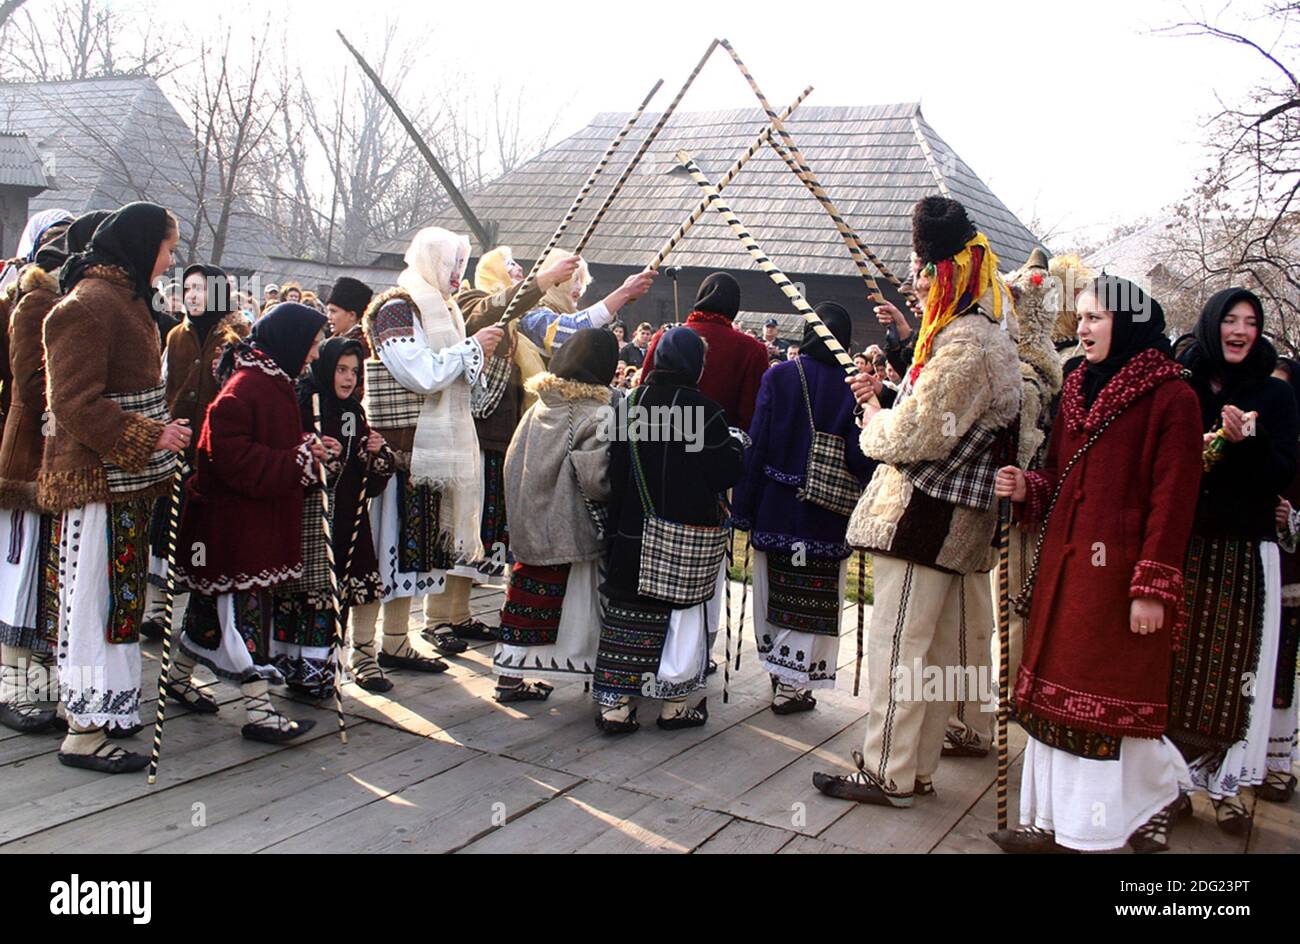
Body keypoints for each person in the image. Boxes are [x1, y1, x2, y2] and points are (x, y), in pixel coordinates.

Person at [813, 195, 1021, 808]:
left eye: (921, 273)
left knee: (898, 646)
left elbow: (918, 437)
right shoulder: (980, 339)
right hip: (950, 525)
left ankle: (886, 770)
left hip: (922, 519)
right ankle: (915, 768)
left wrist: (875, 415)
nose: (914, 284)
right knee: (927, 656)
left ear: (945, 274)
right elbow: (946, 415)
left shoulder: (965, 343)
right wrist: (894, 391)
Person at [989, 276, 1203, 853]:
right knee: (1058, 700)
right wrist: (1026, 489)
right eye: (1079, 319)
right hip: (1068, 573)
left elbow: (1173, 499)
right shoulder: (1078, 385)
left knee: (1107, 701)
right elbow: (1059, 476)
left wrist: (1152, 587)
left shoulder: (1173, 397)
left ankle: (1114, 819)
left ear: (1127, 324)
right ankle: (1055, 821)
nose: (1080, 330)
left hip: (1119, 577)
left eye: (1094, 319)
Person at [40, 202, 191, 772]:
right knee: (92, 603)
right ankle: (82, 730)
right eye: (168, 248)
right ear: (141, 243)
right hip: (96, 480)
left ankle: (108, 711)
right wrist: (150, 436)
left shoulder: (125, 301)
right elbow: (73, 403)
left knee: (117, 605)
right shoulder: (88, 306)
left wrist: (158, 434)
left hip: (122, 482)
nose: (171, 261)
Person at [1169, 287, 1298, 834]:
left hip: (1246, 552)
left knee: (1236, 671)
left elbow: (1281, 471)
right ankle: (1169, 783)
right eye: (1230, 319)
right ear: (1210, 324)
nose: (1240, 330)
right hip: (1185, 547)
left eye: (1251, 321)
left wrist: (1248, 441)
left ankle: (1225, 788)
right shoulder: (1182, 384)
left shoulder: (1275, 394)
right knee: (1175, 668)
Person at [169, 303, 329, 743]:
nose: (315, 355)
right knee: (244, 621)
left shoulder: (273, 383)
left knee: (208, 609)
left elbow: (267, 441)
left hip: (250, 525)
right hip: (236, 531)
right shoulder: (246, 387)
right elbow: (228, 455)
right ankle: (259, 712)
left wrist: (304, 445)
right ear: (291, 342)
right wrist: (295, 459)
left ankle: (178, 677)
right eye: (312, 345)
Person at [592, 327, 747, 732]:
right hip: (684, 536)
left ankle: (616, 707)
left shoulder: (629, 405)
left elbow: (616, 469)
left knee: (627, 612)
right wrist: (736, 446)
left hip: (630, 531)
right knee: (680, 617)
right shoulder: (705, 412)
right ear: (696, 364)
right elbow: (723, 471)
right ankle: (674, 707)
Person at [361, 227, 502, 666]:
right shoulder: (397, 309)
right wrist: (471, 349)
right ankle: (369, 648)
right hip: (397, 455)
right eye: (450, 265)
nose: (458, 275)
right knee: (382, 556)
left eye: (462, 265)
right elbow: (419, 372)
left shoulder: (442, 309)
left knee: (410, 556)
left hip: (422, 454)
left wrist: (471, 352)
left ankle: (396, 641)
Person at [732, 302, 874, 711]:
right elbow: (862, 457)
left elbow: (755, 445)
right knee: (811, 598)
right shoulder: (853, 387)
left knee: (776, 592)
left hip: (778, 507)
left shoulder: (779, 376)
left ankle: (783, 679)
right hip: (826, 515)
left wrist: (743, 506)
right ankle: (791, 686)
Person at [493, 328, 616, 701]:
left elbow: (511, 465)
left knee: (526, 604)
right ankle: (593, 675)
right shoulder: (598, 415)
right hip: (573, 531)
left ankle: (509, 676)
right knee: (581, 609)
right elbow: (597, 481)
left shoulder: (540, 406)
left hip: (531, 528)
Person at [451, 246, 580, 594]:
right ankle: (440, 617)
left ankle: (460, 613)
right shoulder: (475, 302)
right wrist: (545, 279)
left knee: (486, 527)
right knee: (464, 525)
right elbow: (486, 314)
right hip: (475, 432)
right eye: (510, 266)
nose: (518, 270)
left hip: (500, 434)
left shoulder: (515, 322)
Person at [272, 336, 396, 696]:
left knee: (354, 589)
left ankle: (354, 660)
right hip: (314, 520)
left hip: (349, 517)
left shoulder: (355, 411)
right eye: (341, 369)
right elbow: (289, 463)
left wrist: (375, 452)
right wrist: (319, 453)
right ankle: (305, 671)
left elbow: (369, 484)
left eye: (355, 372)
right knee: (314, 595)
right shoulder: (305, 404)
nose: (348, 379)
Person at [0, 208, 84, 733]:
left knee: (42, 577)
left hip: (52, 456)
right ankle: (12, 688)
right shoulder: (31, 305)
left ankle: (39, 686)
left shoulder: (60, 304)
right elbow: (29, 388)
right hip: (28, 454)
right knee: (18, 572)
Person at [140, 262, 250, 641]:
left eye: (200, 289)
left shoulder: (237, 337)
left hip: (214, 449)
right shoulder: (176, 336)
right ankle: (156, 607)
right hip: (176, 444)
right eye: (187, 289)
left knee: (200, 531)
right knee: (164, 526)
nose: (192, 296)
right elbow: (163, 382)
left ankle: (194, 610)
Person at [641, 273, 769, 432]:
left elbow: (645, 390)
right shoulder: (751, 349)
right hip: (718, 442)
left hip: (658, 436)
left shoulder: (666, 337)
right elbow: (751, 413)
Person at [1268, 355, 1300, 804]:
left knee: (1278, 677)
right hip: (1243, 569)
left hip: (1290, 580)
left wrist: (1292, 518)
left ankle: (1276, 765)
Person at [325, 276, 374, 355]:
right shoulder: (334, 339)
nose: (328, 316)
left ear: (352, 315)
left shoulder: (361, 346)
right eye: (328, 311)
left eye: (333, 311)